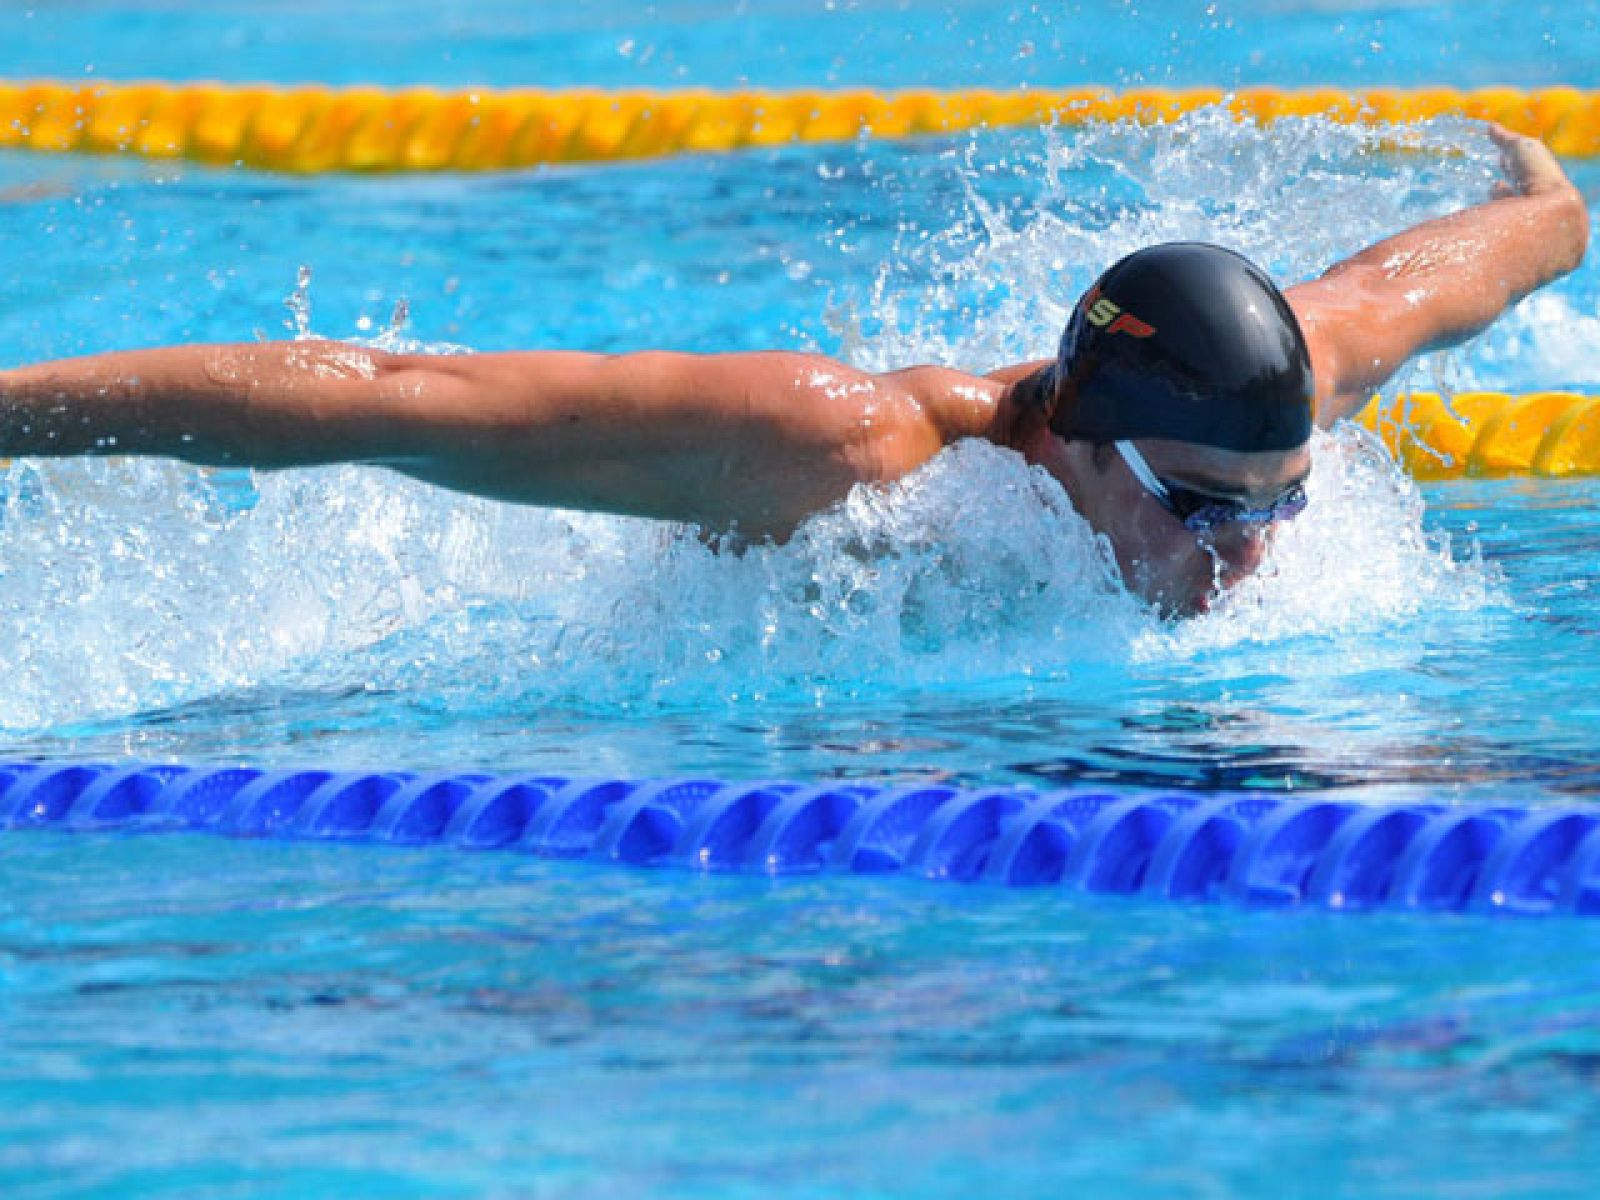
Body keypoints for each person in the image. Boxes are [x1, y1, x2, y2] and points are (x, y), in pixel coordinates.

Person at [0, 125, 1587, 615]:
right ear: (1089, 443)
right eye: (1205, 513)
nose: (1245, 562)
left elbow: (1428, 281)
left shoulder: (1271, 399)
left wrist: (1549, 203)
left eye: (1279, 514)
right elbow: (399, 401)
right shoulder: (849, 458)